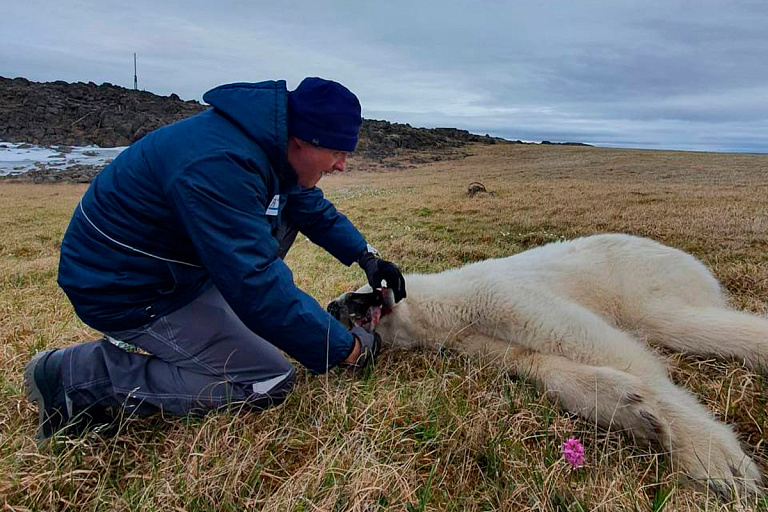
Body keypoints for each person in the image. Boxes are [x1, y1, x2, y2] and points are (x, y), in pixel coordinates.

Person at [23, 77, 407, 441]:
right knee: (266, 379)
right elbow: (255, 283)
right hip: (124, 287)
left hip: (170, 270)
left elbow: (309, 209)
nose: (341, 165)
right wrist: (347, 350)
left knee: (280, 244)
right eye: (338, 152)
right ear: (303, 139)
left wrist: (367, 257)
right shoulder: (220, 164)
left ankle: (222, 324)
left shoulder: (269, 149)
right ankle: (75, 377)